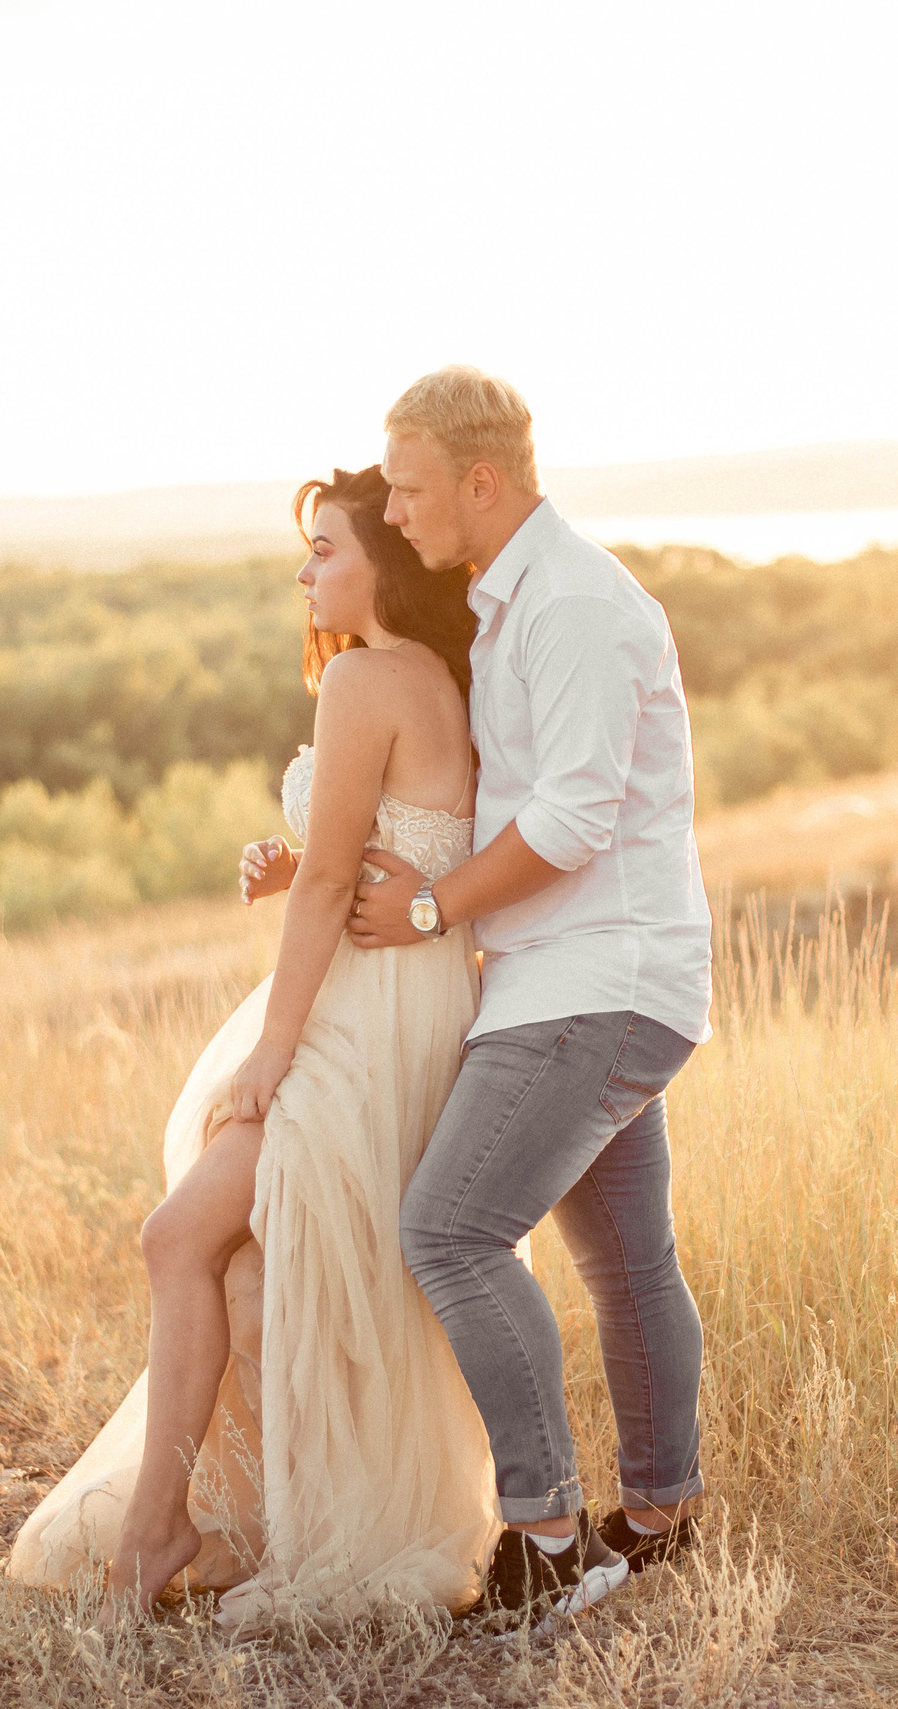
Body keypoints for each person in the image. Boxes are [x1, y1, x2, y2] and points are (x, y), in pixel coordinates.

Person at [7, 466, 501, 1626]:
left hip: (356, 1019)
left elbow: (340, 878)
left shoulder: (367, 678)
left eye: (324, 547)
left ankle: (153, 1530)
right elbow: (378, 847)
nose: (305, 570)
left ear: (380, 558)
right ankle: (245, 1512)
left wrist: (271, 1054)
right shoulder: (434, 677)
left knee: (177, 1232)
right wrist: (301, 866)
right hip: (405, 1000)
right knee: (238, 1261)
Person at [349, 367, 716, 1618]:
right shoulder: (514, 599)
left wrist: (425, 909)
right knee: (628, 1261)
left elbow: (569, 817)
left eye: (408, 487)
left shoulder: (570, 603)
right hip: (582, 975)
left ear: (480, 481)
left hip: (590, 983)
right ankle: (659, 1518)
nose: (394, 511)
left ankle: (552, 1540)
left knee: (449, 1232)